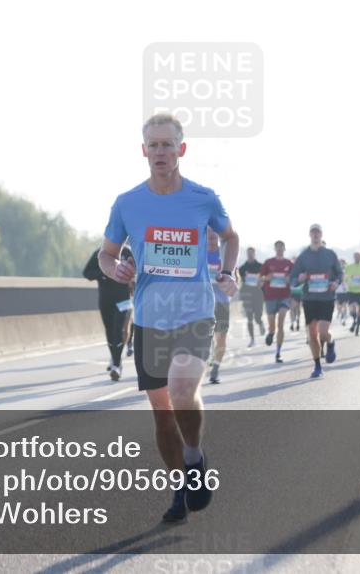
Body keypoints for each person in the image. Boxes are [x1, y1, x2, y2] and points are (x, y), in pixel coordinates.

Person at [99, 113, 238, 523]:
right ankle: (180, 485)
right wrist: (115, 268)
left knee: (181, 387)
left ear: (182, 149)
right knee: (162, 416)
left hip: (195, 313)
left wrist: (229, 271)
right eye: (154, 145)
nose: (160, 152)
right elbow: (106, 254)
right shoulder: (127, 203)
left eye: (167, 144)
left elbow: (230, 236)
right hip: (149, 318)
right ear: (144, 151)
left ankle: (194, 458)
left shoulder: (203, 198)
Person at [291, 224, 343, 378]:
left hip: (326, 298)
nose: (315, 235)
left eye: (318, 232)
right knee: (312, 334)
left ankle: (330, 343)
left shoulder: (330, 254)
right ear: (309, 235)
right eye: (313, 232)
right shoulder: (303, 256)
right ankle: (317, 366)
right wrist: (298, 279)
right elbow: (293, 279)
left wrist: (336, 283)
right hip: (309, 299)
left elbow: (339, 274)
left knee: (323, 332)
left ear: (321, 235)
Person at [82, 245, 133, 380]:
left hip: (123, 300)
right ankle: (116, 359)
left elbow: (138, 272)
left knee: (119, 331)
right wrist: (105, 272)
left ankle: (116, 365)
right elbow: (87, 273)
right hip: (106, 300)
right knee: (110, 332)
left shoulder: (127, 252)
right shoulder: (100, 254)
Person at [259, 240, 294, 362]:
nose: (279, 249)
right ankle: (271, 333)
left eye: (281, 247)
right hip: (270, 297)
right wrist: (266, 278)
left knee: (281, 323)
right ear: (275, 249)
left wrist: (290, 279)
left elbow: (294, 279)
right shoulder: (268, 262)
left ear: (284, 248)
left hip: (284, 296)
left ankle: (278, 353)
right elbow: (260, 278)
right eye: (277, 247)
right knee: (272, 325)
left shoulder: (289, 263)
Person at [207, 229, 233, 384]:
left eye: (214, 232)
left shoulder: (224, 255)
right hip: (202, 302)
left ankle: (215, 368)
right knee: (202, 336)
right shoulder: (198, 253)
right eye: (208, 232)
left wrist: (230, 282)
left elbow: (234, 278)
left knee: (221, 337)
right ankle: (209, 354)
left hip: (222, 303)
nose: (211, 235)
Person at [237, 247, 266, 347]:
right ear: (246, 254)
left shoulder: (260, 266)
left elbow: (264, 279)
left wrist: (261, 282)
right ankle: (252, 339)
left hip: (258, 294)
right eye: (248, 253)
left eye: (251, 253)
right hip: (247, 294)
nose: (250, 255)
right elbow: (240, 280)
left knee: (257, 317)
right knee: (249, 317)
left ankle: (260, 323)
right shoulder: (242, 268)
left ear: (254, 254)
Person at [289, 252, 303, 332]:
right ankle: (292, 323)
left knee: (297, 308)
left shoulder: (300, 269)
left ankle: (297, 322)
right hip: (291, 292)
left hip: (298, 292)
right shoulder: (289, 269)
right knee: (292, 308)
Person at [335, 258, 349, 325]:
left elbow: (347, 279)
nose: (341, 264)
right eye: (340, 262)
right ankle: (341, 314)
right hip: (338, 290)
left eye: (342, 262)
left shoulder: (346, 270)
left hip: (345, 290)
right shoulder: (336, 270)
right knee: (338, 305)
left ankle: (344, 316)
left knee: (344, 304)